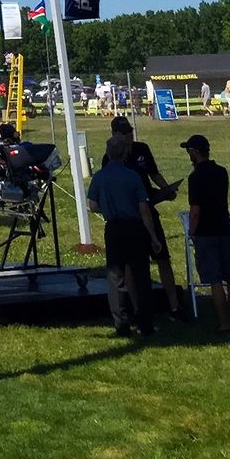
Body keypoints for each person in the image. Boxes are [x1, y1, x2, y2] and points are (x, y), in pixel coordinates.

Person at [103, 117, 183, 316]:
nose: (129, 135)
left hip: (149, 207)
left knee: (163, 258)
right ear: (115, 134)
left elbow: (153, 173)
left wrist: (166, 189)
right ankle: (137, 308)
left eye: (130, 131)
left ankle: (174, 305)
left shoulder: (142, 149)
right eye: (124, 132)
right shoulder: (111, 157)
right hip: (130, 215)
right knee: (131, 266)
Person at [88, 136, 157, 337]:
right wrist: (152, 236)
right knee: (140, 275)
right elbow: (144, 208)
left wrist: (108, 210)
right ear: (125, 153)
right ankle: (145, 322)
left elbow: (92, 205)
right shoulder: (133, 176)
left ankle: (121, 323)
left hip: (114, 228)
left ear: (108, 153)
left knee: (115, 276)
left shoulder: (99, 177)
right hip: (134, 227)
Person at [182, 134, 230, 332]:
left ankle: (224, 322)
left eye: (189, 152)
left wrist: (191, 232)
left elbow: (195, 211)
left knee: (215, 280)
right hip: (223, 228)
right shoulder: (222, 172)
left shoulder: (195, 178)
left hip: (205, 232)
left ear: (195, 152)